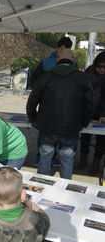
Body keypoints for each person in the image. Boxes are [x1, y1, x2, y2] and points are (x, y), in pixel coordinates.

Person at [26, 49, 95, 180]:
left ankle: (42, 186)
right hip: (71, 127)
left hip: (47, 126)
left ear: (57, 59)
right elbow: (90, 104)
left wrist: (34, 119)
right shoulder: (83, 78)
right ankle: (64, 190)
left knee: (45, 157)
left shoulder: (45, 77)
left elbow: (32, 101)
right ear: (73, 59)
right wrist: (83, 122)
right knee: (67, 159)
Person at [30, 36, 76, 168]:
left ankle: (55, 157)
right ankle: (40, 156)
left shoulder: (74, 62)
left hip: (67, 109)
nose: (63, 51)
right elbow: (34, 80)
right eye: (62, 48)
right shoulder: (46, 62)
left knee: (60, 140)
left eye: (67, 49)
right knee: (46, 138)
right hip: (48, 108)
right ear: (57, 48)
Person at [76, 51, 105, 173]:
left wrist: (103, 114)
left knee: (101, 139)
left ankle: (96, 162)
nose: (102, 70)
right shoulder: (88, 72)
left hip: (102, 112)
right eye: (100, 66)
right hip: (87, 109)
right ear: (95, 64)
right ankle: (83, 160)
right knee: (85, 136)